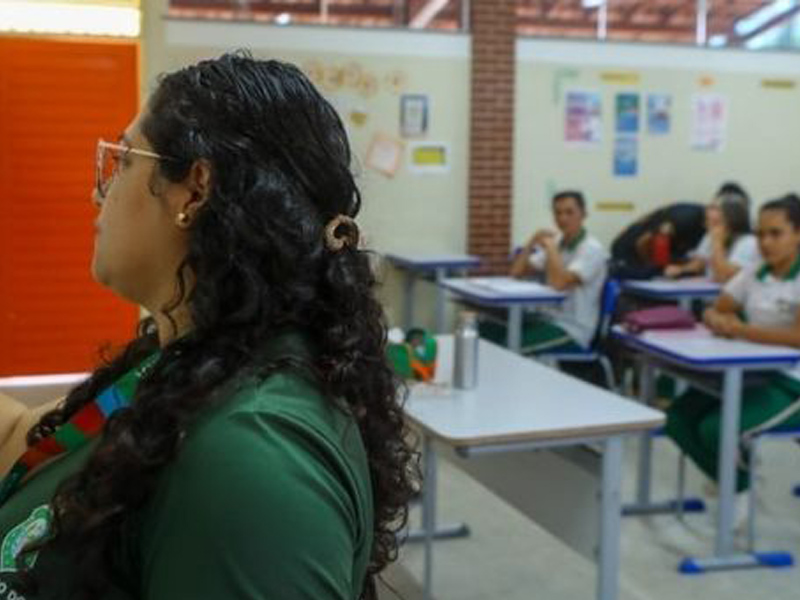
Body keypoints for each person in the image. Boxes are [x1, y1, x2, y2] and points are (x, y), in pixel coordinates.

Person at [0, 53, 418, 600]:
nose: (97, 195)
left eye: (123, 161)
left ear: (194, 190)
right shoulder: (195, 359)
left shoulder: (253, 456)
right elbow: (22, 435)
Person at [666, 194, 800, 510]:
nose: (765, 242)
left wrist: (739, 329)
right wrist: (715, 319)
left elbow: (797, 338)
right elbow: (718, 308)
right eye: (760, 233)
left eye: (776, 233)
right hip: (751, 372)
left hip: (792, 383)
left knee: (719, 429)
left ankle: (737, 495)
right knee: (677, 418)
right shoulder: (755, 272)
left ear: (798, 234)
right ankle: (738, 484)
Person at [496, 190, 608, 353]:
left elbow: (558, 284)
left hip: (572, 328)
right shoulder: (557, 243)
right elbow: (516, 273)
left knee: (510, 344)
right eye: (558, 213)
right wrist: (531, 242)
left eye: (569, 212)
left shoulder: (592, 249)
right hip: (548, 319)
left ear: (583, 214)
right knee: (490, 330)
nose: (562, 219)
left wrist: (551, 248)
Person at [664, 194, 759, 283]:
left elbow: (723, 277)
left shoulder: (748, 242)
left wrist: (717, 243)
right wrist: (681, 270)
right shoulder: (710, 235)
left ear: (731, 218)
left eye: (714, 208)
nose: (707, 210)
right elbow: (698, 264)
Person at [609, 202, 705, 280]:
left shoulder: (701, 221)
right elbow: (643, 242)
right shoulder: (686, 219)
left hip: (643, 247)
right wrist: (652, 267)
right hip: (630, 252)